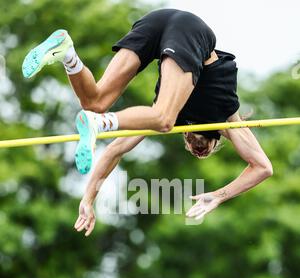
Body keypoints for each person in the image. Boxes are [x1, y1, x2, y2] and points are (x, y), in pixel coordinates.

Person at [22, 9, 273, 236]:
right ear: (216, 141)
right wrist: (217, 197)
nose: (198, 151)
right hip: (191, 31)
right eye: (204, 151)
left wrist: (88, 198)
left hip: (156, 23)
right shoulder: (228, 118)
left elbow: (115, 150)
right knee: (163, 119)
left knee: (95, 102)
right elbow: (262, 167)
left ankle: (67, 53)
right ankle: (98, 123)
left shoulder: (165, 113)